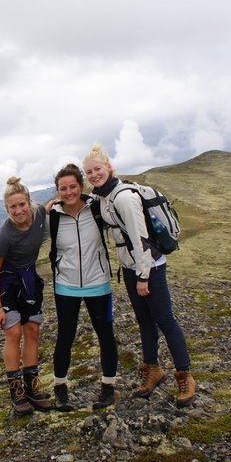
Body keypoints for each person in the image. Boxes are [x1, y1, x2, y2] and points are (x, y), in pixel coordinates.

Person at [83, 143, 196, 408]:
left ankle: (185, 375)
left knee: (165, 320)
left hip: (149, 267)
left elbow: (141, 239)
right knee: (144, 321)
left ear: (109, 168)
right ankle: (153, 370)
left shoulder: (124, 197)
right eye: (88, 172)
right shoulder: (103, 197)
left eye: (97, 169)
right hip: (132, 269)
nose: (93, 175)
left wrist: (144, 276)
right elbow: (92, 204)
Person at [49, 164, 119, 411]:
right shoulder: (53, 216)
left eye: (72, 187)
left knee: (105, 335)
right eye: (63, 188)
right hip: (65, 286)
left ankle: (108, 388)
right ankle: (60, 390)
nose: (68, 192)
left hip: (98, 283)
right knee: (65, 337)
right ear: (57, 191)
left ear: (81, 186)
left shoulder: (97, 208)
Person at [0, 176, 52, 415]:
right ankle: (17, 393)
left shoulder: (39, 215)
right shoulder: (4, 236)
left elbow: (48, 208)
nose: (18, 210)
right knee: (13, 332)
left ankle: (32, 388)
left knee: (32, 330)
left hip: (28, 278)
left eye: (22, 204)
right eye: (13, 207)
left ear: (29, 202)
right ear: (7, 209)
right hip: (6, 282)